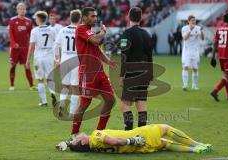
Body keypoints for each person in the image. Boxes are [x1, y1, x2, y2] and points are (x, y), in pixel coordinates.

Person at [71, 7, 116, 135]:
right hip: (87, 73)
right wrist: (103, 32)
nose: (95, 18)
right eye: (92, 16)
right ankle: (73, 134)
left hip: (100, 72)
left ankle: (99, 133)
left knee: (110, 100)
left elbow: (97, 50)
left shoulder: (90, 31)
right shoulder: (81, 29)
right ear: (84, 17)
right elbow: (96, 40)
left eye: (95, 16)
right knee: (84, 104)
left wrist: (109, 62)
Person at [56, 124, 212, 154]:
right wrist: (133, 140)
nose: (78, 135)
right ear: (83, 142)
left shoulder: (93, 147)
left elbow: (77, 144)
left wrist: (69, 144)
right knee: (166, 129)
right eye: (77, 139)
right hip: (138, 138)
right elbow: (115, 141)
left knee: (164, 144)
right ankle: (197, 145)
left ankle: (194, 150)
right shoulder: (96, 136)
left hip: (140, 149)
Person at [119, 7, 153, 131]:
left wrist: (122, 75)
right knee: (141, 104)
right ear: (141, 18)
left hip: (132, 72)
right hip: (145, 73)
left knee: (125, 105)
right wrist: (150, 75)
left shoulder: (127, 33)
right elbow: (150, 57)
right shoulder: (147, 35)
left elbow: (124, 55)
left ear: (128, 17)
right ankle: (141, 135)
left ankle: (129, 133)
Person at [53, 9, 81, 116]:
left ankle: (62, 105)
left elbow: (56, 46)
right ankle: (72, 113)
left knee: (65, 85)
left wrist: (57, 60)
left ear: (70, 18)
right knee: (75, 87)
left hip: (64, 59)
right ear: (79, 19)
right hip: (76, 60)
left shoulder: (63, 30)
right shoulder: (80, 30)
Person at [25, 11, 56, 106]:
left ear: (39, 19)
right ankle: (53, 93)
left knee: (40, 79)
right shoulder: (52, 30)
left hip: (39, 57)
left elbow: (31, 46)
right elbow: (56, 44)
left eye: (36, 18)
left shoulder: (34, 31)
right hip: (49, 57)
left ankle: (44, 102)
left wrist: (27, 60)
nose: (35, 20)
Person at [7, 2, 36, 91]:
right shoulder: (12, 20)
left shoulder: (29, 21)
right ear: (17, 10)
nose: (22, 10)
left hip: (25, 48)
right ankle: (12, 85)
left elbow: (31, 34)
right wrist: (13, 43)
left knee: (27, 66)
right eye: (20, 9)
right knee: (13, 66)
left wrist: (31, 45)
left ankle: (31, 86)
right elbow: (10, 33)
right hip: (15, 48)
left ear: (25, 10)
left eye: (23, 9)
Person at [210, 12, 228, 101]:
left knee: (226, 76)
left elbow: (215, 43)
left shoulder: (219, 28)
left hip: (220, 55)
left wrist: (213, 56)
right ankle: (215, 91)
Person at [181, 15, 205, 91]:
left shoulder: (198, 28)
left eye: (194, 20)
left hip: (195, 51)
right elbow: (185, 38)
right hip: (187, 51)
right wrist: (190, 30)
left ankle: (194, 85)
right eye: (192, 20)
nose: (193, 22)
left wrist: (201, 31)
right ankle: (185, 85)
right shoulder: (184, 28)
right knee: (185, 67)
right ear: (188, 21)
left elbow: (203, 38)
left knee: (195, 69)